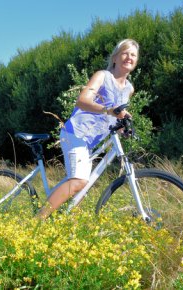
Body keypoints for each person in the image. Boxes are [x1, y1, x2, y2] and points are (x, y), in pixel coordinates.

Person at [37, 39, 139, 219]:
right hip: (76, 133)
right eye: (125, 53)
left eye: (133, 54)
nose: (129, 57)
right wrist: (108, 110)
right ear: (115, 57)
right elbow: (82, 101)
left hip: (90, 141)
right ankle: (36, 221)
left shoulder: (129, 88)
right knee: (80, 180)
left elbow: (115, 113)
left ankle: (57, 215)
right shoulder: (103, 76)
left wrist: (124, 126)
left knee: (82, 182)